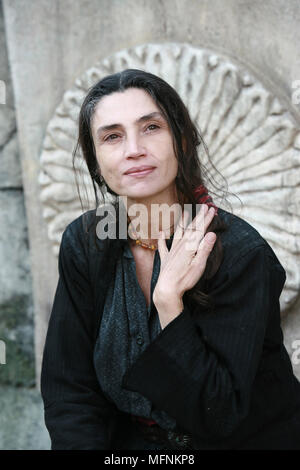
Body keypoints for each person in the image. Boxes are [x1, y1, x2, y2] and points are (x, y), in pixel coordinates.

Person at [41, 69, 300, 450]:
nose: (133, 149)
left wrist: (169, 306)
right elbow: (70, 391)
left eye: (151, 128)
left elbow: (219, 412)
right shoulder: (87, 242)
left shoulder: (241, 254)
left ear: (181, 140)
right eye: (112, 136)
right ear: (96, 162)